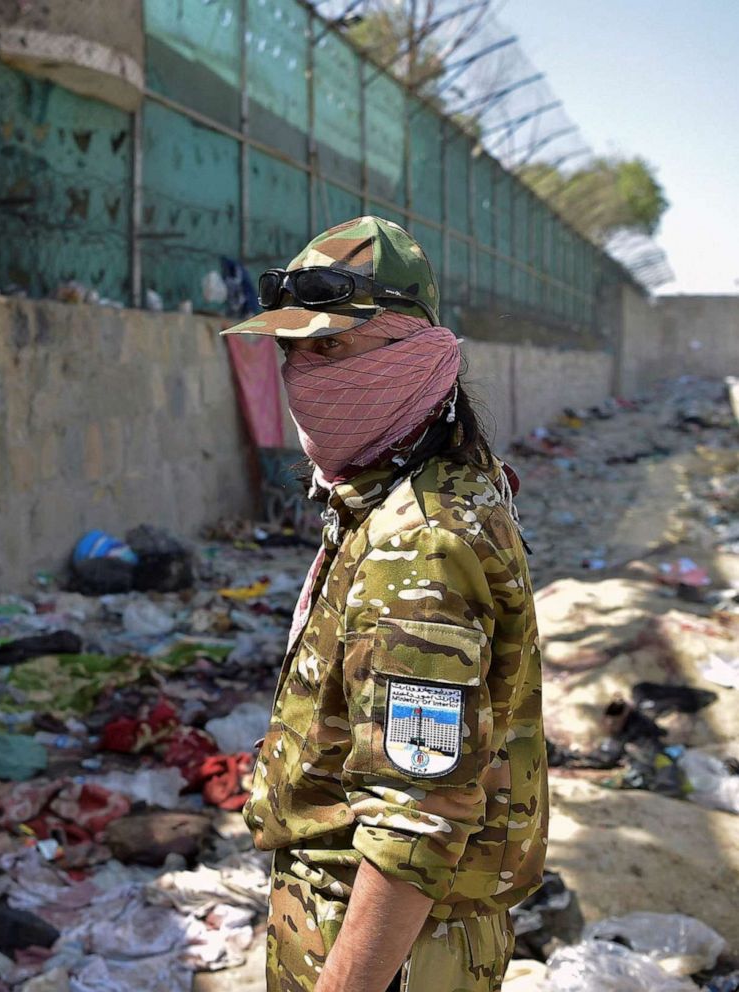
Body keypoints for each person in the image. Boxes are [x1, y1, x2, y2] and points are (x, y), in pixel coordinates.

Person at [222, 216, 548, 992]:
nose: (304, 376)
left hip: (386, 955)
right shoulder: (408, 493)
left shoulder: (420, 544)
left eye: (329, 348)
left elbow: (418, 817)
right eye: (292, 351)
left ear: (415, 356)